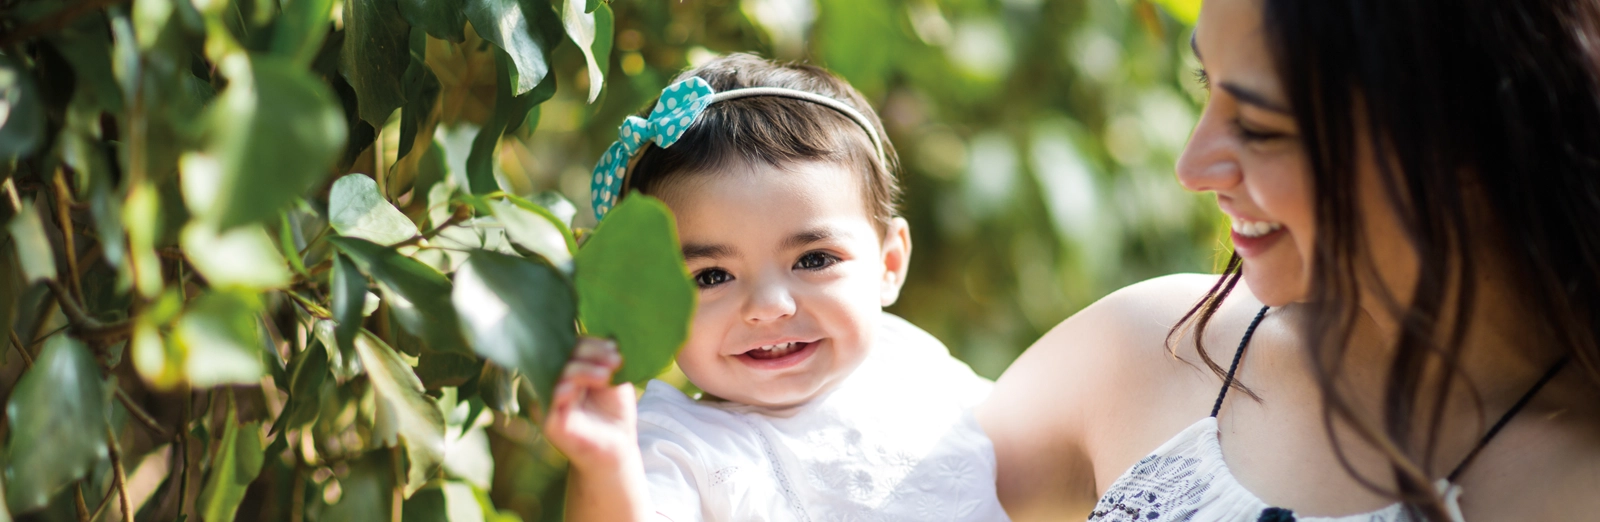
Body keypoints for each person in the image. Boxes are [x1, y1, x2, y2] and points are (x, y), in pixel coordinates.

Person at [979, 0, 1600, 520]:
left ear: (1461, 136)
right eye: (1207, 86)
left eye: (1260, 126)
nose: (1191, 169)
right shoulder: (1145, 352)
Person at [542, 53, 1010, 522]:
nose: (768, 307)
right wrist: (605, 466)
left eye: (813, 260)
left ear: (888, 264)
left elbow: (1036, 452)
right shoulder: (680, 445)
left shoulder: (911, 362)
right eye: (710, 276)